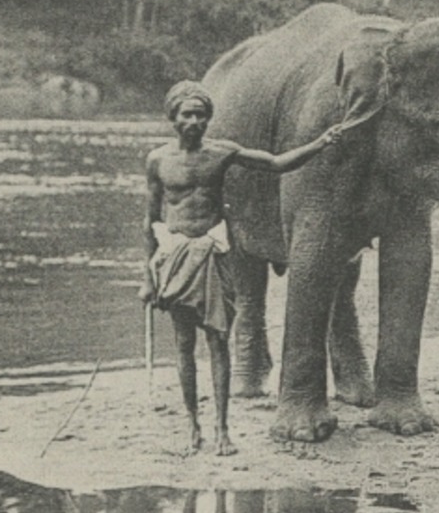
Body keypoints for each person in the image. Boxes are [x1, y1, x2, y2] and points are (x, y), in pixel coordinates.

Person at [143, 80, 344, 456]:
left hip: (213, 256)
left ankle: (222, 429)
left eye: (201, 115)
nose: (194, 122)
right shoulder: (157, 160)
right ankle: (192, 426)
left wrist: (320, 143)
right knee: (184, 347)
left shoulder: (222, 153)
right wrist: (146, 279)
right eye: (187, 114)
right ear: (173, 118)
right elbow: (149, 220)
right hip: (174, 258)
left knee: (218, 342)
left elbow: (275, 163)